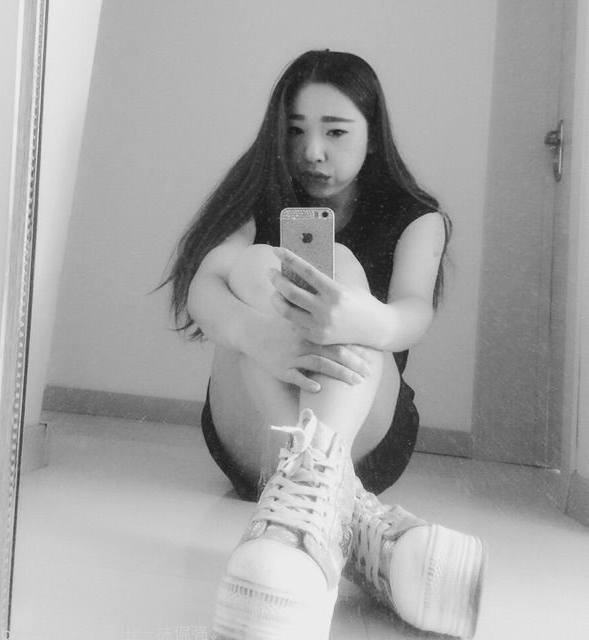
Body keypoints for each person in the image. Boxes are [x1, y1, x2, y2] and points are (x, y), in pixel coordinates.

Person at [163, 50, 485, 640]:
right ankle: (352, 520)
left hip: (369, 432)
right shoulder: (257, 194)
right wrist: (259, 336)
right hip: (249, 430)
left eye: (335, 132)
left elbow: (412, 314)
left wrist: (362, 317)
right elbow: (205, 286)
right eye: (295, 131)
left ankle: (305, 511)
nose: (312, 150)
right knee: (259, 263)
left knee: (333, 264)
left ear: (372, 133)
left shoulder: (417, 218)